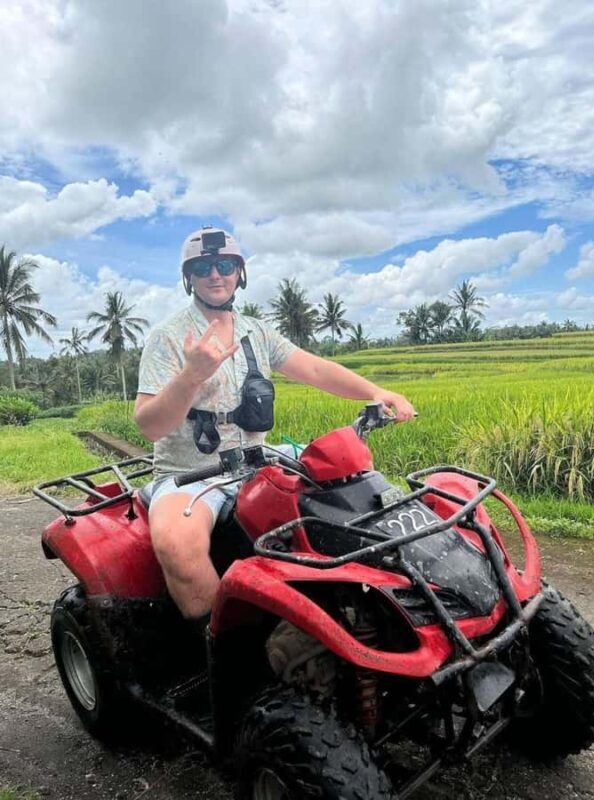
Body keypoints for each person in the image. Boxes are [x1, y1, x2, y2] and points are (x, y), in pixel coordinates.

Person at [134, 227, 415, 625]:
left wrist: (377, 391)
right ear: (189, 277)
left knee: (353, 493)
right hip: (191, 475)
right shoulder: (168, 338)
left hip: (259, 460)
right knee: (177, 544)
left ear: (239, 273)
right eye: (203, 267)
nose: (215, 274)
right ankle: (224, 646)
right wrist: (191, 375)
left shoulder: (257, 332)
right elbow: (149, 425)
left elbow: (316, 369)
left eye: (225, 264)